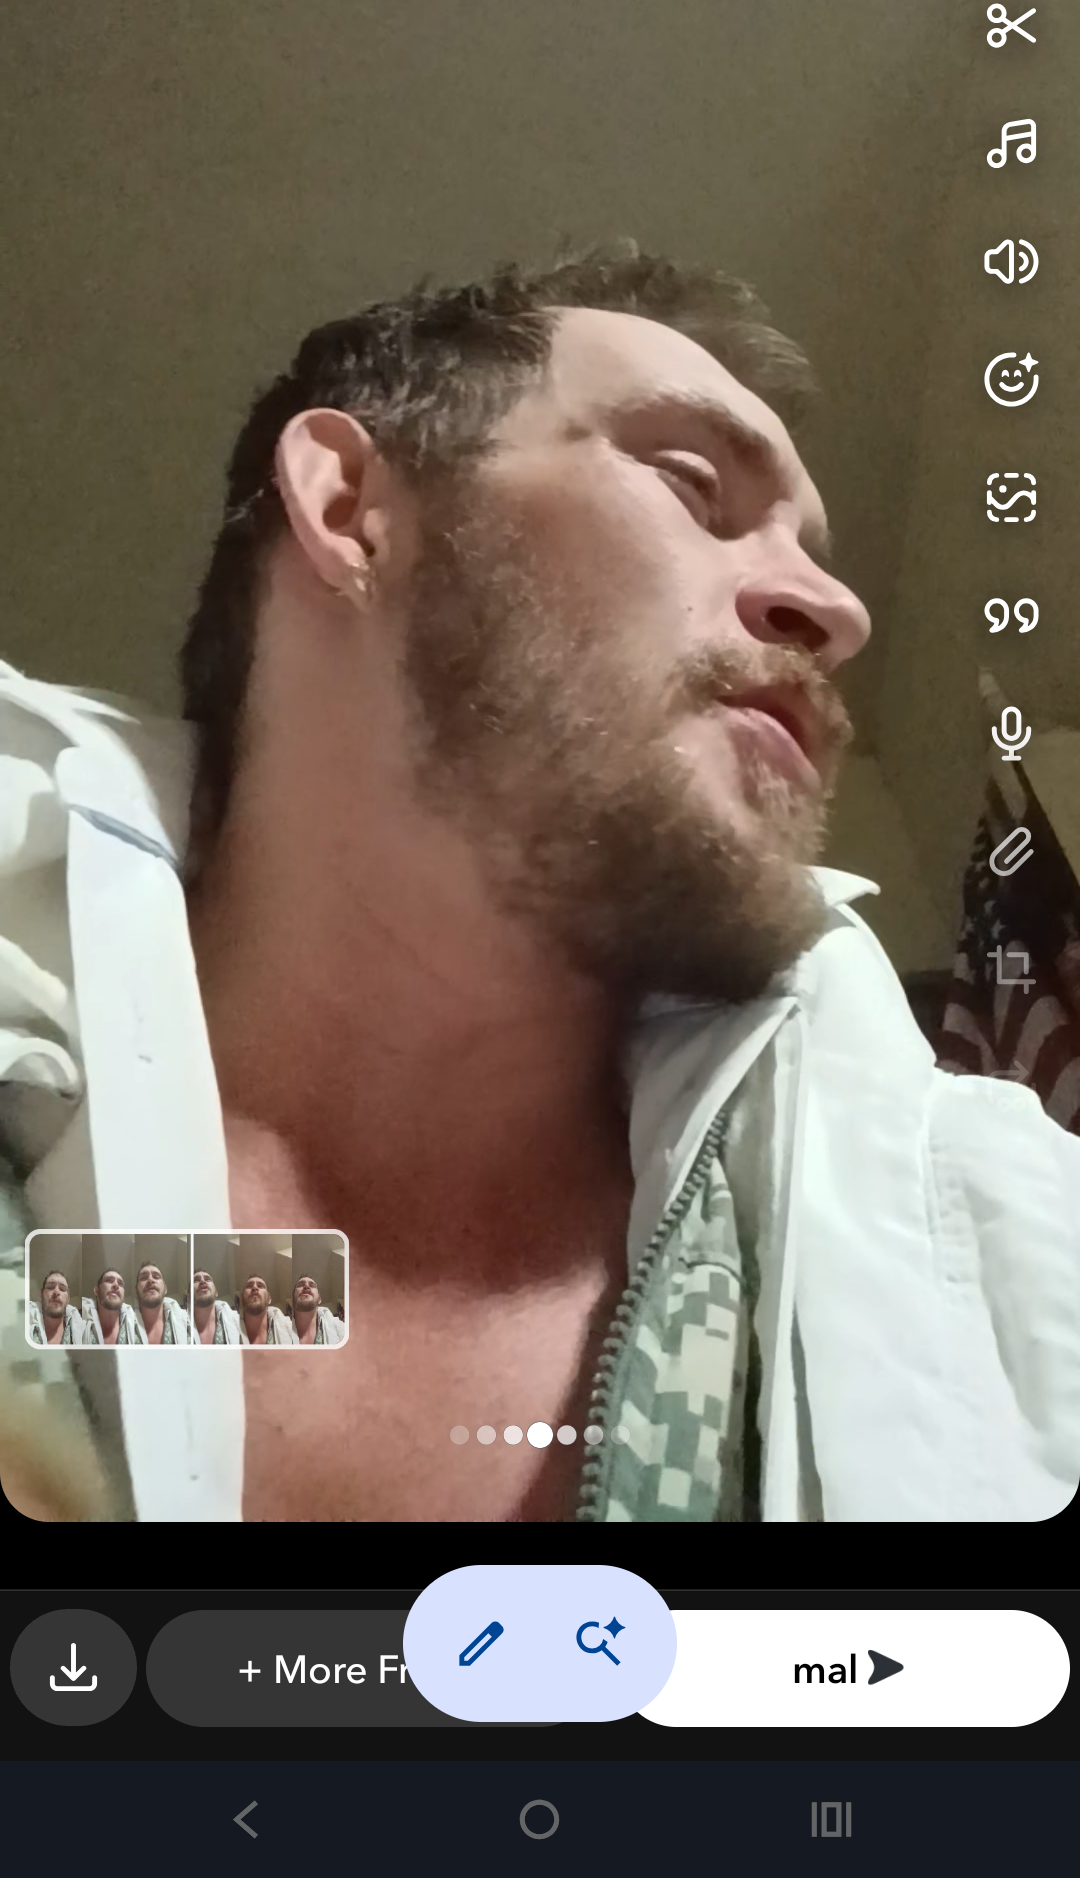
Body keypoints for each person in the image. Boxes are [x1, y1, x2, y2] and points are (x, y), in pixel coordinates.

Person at [1, 247, 1078, 1522]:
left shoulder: (1015, 1270)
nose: (837, 612)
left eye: (812, 549)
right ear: (350, 508)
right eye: (694, 483)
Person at [28, 1270, 85, 1347]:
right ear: (40, 1295)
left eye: (62, 1289)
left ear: (68, 1299)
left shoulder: (83, 1333)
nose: (56, 1292)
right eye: (50, 1287)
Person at [238, 1274, 293, 1346]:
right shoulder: (228, 1326)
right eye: (249, 1286)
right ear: (241, 1299)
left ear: (269, 1299)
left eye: (260, 1286)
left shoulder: (289, 1327)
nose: (254, 1287)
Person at [192, 1265, 241, 1343]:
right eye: (196, 1280)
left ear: (216, 1293)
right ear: (188, 1295)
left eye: (207, 1279)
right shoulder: (181, 1325)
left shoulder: (238, 1321)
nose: (202, 1281)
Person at [290, 1275, 344, 1345]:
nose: (306, 1286)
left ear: (319, 1299)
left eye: (312, 1285)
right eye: (300, 1285)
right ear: (292, 1299)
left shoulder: (340, 1327)